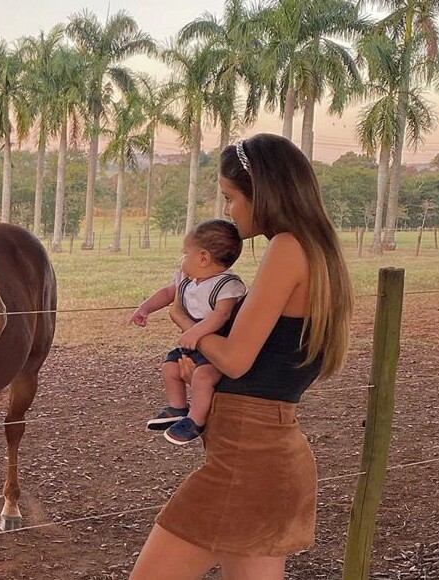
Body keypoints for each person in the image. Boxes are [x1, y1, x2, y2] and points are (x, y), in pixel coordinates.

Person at [130, 134, 354, 580]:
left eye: (231, 198)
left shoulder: (288, 247)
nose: (228, 211)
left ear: (263, 194)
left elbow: (234, 360)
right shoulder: (318, 251)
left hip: (246, 459)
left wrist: (182, 320)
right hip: (269, 454)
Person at [129, 219, 246, 445]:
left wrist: (194, 332)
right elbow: (167, 293)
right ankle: (177, 407)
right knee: (170, 366)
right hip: (192, 345)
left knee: (202, 378)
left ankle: (195, 420)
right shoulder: (187, 280)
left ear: (202, 258)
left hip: (219, 348)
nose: (181, 259)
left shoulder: (227, 285)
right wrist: (145, 308)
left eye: (185, 253)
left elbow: (221, 315)